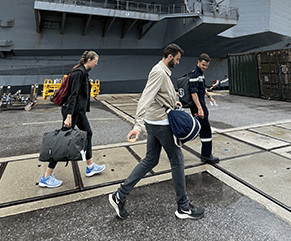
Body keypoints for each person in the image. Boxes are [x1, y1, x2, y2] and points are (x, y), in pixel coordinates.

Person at [108, 44, 205, 220]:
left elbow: (158, 96)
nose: (178, 61)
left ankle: (119, 195)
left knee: (150, 160)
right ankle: (183, 207)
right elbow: (145, 98)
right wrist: (137, 126)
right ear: (169, 56)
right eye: (177, 58)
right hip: (161, 124)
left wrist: (173, 102)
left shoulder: (161, 71)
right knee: (177, 161)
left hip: (155, 121)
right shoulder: (159, 72)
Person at [38, 50, 106, 188]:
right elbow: (73, 95)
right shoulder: (78, 73)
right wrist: (68, 116)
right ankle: (46, 177)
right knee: (62, 141)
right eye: (95, 60)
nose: (96, 63)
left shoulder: (83, 73)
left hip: (79, 111)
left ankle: (90, 166)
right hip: (73, 111)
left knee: (88, 134)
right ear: (89, 60)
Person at [187, 54, 219, 164]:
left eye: (206, 66)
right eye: (203, 64)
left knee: (201, 128)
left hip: (201, 104)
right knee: (205, 129)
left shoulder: (200, 74)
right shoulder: (194, 74)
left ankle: (206, 154)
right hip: (197, 106)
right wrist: (199, 109)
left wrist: (209, 96)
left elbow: (202, 88)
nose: (205, 67)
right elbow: (193, 93)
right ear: (198, 62)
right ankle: (206, 155)